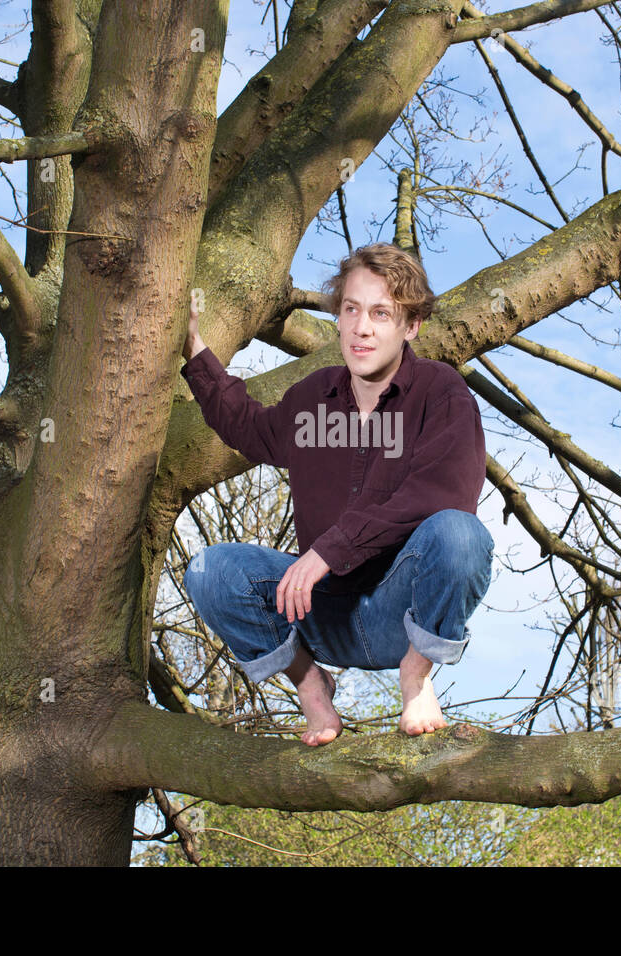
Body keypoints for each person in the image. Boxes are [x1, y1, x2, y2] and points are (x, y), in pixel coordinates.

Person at [180, 243, 493, 746]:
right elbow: (249, 427)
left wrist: (329, 549)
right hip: (318, 613)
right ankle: (312, 690)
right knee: (209, 570)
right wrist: (195, 352)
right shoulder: (313, 400)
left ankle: (415, 680)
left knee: (460, 533)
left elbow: (439, 494)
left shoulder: (442, 393)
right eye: (351, 309)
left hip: (402, 612)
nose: (361, 328)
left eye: (380, 313)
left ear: (410, 326)